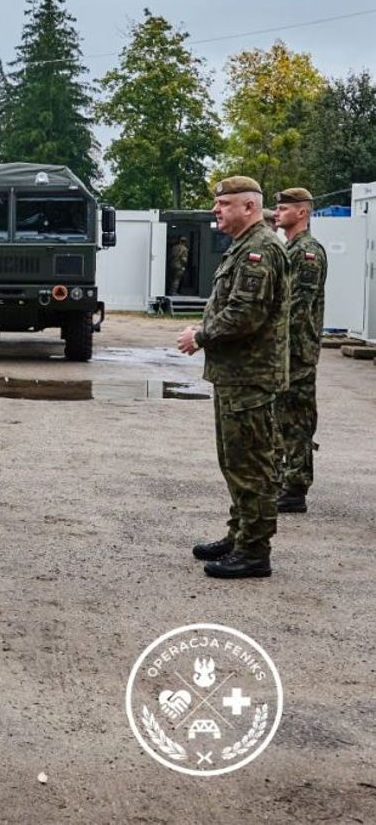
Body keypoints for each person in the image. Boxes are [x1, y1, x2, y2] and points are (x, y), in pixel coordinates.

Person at [179, 176, 289, 580]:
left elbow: (246, 315)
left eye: (224, 203)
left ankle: (255, 552)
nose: (216, 210)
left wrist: (200, 336)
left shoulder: (261, 249)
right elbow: (233, 305)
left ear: (249, 207)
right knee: (234, 461)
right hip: (235, 374)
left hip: (251, 377)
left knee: (252, 465)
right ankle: (240, 534)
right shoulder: (244, 247)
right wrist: (206, 326)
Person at [271, 187, 327, 514]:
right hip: (285, 350)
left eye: (284, 208)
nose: (277, 213)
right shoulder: (289, 248)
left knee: (296, 419)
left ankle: (295, 488)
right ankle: (284, 480)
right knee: (282, 417)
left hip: (297, 351)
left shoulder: (308, 252)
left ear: (302, 212)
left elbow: (297, 309)